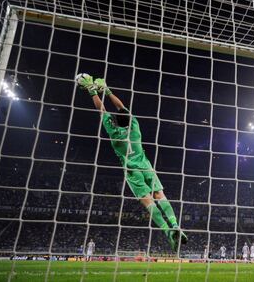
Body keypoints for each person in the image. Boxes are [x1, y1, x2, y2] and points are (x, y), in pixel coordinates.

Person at [75, 74, 187, 251]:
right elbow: (120, 107)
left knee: (149, 203)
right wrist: (107, 90)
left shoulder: (113, 133)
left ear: (115, 122)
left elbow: (102, 110)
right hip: (146, 166)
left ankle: (167, 231)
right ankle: (174, 224)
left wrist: (92, 92)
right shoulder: (134, 127)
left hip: (132, 171)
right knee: (160, 196)